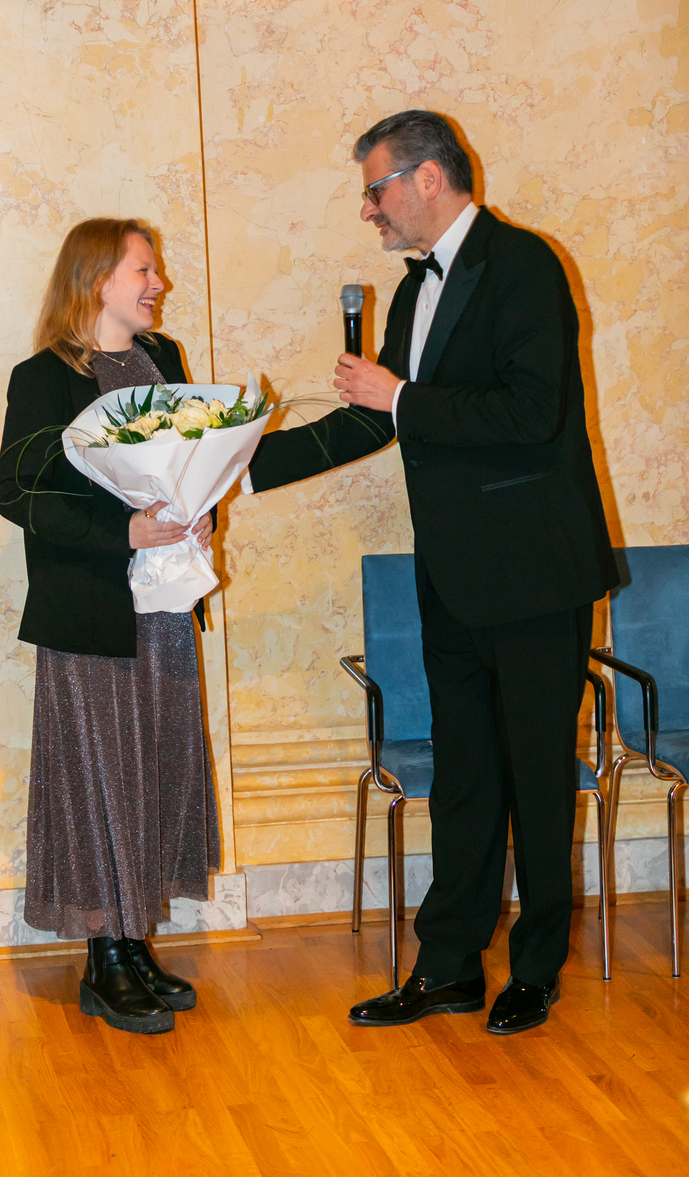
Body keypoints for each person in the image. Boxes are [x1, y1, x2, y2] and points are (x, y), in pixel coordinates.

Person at [247, 111, 618, 1034]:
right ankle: (449, 964)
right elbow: (375, 417)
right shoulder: (416, 290)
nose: (367, 209)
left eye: (374, 188)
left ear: (426, 178)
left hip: (535, 574)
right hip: (452, 575)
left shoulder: (525, 265)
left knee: (538, 779)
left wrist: (403, 395)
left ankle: (536, 968)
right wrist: (236, 468)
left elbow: (531, 412)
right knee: (463, 777)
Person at [0, 218, 219, 1035]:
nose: (159, 284)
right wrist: (121, 531)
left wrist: (200, 514)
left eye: (154, 271)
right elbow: (17, 492)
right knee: (100, 780)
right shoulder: (43, 378)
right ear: (97, 280)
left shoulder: (168, 364)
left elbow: (192, 466)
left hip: (164, 606)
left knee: (154, 767)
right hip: (89, 612)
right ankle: (104, 960)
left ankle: (135, 943)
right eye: (143, 270)